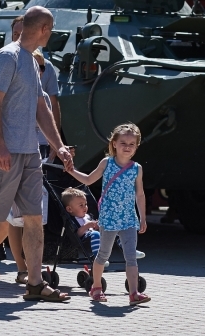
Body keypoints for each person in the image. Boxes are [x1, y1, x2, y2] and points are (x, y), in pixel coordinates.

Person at [0, 6, 73, 302]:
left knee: (34, 218)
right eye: (52, 29)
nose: (52, 34)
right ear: (44, 29)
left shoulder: (32, 62)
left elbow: (40, 108)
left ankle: (35, 284)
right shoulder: (8, 56)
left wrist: (57, 145)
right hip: (3, 152)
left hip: (30, 152)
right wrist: (0, 146)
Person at [65, 123, 151, 306]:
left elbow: (140, 194)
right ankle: (96, 287)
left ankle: (134, 292)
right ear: (114, 144)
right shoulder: (107, 163)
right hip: (109, 218)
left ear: (136, 146)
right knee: (103, 254)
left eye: (131, 144)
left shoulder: (137, 168)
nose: (127, 147)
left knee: (131, 256)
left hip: (128, 218)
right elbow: (89, 180)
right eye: (123, 143)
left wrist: (143, 217)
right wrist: (72, 171)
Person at [62, 187, 101, 256]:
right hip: (85, 241)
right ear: (69, 209)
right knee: (95, 234)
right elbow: (76, 235)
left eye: (85, 204)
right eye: (81, 205)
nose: (85, 207)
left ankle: (125, 251)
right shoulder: (72, 220)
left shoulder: (88, 216)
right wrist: (87, 226)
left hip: (95, 237)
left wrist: (96, 226)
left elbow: (93, 227)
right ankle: (98, 257)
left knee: (113, 231)